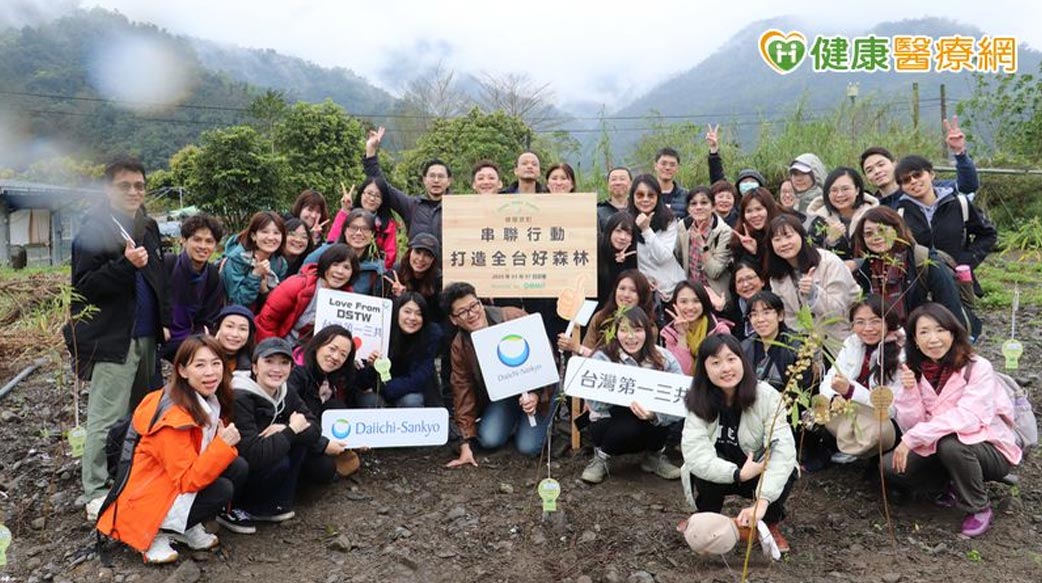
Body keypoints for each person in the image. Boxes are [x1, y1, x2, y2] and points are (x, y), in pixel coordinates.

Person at [64, 156, 172, 520]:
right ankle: (95, 489)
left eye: (139, 185)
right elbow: (84, 288)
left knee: (146, 413)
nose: (133, 191)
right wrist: (126, 265)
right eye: (124, 185)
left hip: (146, 336)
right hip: (113, 338)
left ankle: (133, 473)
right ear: (108, 189)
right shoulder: (93, 231)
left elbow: (158, 279)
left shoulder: (149, 226)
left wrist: (164, 321)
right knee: (106, 416)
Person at [96, 336, 244, 564]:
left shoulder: (202, 399)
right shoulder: (174, 418)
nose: (210, 372)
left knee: (236, 467)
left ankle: (184, 526)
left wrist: (220, 446)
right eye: (200, 365)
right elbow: (188, 479)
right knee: (222, 488)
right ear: (183, 370)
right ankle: (154, 535)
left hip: (165, 485)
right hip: (145, 501)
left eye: (216, 363)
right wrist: (222, 446)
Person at [884, 303, 1021, 537]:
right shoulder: (914, 370)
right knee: (890, 466)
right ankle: (945, 486)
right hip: (939, 443)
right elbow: (912, 423)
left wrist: (911, 439)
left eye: (940, 330)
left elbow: (968, 418)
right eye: (924, 332)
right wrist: (909, 392)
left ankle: (979, 507)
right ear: (915, 340)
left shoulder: (977, 367)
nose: (933, 339)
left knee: (953, 445)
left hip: (988, 447)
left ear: (952, 332)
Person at [680, 335, 798, 553]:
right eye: (715, 363)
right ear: (704, 369)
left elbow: (783, 451)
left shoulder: (767, 396)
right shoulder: (698, 401)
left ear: (742, 361)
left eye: (731, 359)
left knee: (786, 469)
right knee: (703, 473)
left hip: (757, 470)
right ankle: (707, 518)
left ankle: (769, 523)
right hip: (728, 472)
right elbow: (696, 454)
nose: (725, 368)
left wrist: (762, 501)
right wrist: (738, 474)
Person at [223, 338, 338, 534]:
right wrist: (291, 429)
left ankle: (272, 504)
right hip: (237, 467)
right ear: (255, 366)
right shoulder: (240, 396)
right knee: (280, 458)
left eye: (284, 363)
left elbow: (314, 429)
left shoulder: (286, 391)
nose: (277, 369)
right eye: (269, 361)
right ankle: (239, 508)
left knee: (300, 445)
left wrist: (284, 427)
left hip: (266, 454)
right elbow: (252, 453)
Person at [443, 283, 556, 467]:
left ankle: (547, 416)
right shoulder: (460, 345)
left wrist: (537, 394)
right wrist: (465, 443)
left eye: (474, 306)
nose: (471, 314)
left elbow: (548, 361)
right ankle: (512, 418)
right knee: (488, 439)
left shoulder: (513, 317)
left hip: (540, 389)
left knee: (528, 447)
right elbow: (462, 391)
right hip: (505, 394)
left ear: (481, 302)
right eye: (462, 312)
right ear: (453, 319)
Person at [581, 306, 685, 484]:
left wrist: (654, 414)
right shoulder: (602, 358)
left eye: (637, 330)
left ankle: (654, 457)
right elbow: (596, 405)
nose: (631, 337)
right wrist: (623, 395)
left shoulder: (663, 358)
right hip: (610, 421)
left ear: (648, 331)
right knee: (629, 423)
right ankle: (601, 458)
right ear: (615, 332)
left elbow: (680, 399)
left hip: (651, 422)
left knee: (659, 412)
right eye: (624, 330)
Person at [851, 206, 979, 337]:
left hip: (927, 337)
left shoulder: (921, 260)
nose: (876, 237)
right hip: (886, 339)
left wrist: (955, 342)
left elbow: (950, 305)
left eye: (882, 230)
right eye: (868, 233)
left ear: (896, 230)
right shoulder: (866, 268)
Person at [893, 155, 996, 297]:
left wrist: (966, 261)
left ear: (931, 174)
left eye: (917, 175)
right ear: (901, 187)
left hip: (958, 283)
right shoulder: (899, 214)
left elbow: (987, 234)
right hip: (920, 288)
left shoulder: (959, 203)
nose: (913, 181)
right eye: (906, 180)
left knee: (960, 319)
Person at [820, 296, 903, 463]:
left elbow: (892, 408)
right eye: (859, 322)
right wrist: (835, 397)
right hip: (855, 409)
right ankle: (853, 449)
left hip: (886, 419)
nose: (868, 328)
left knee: (880, 431)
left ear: (889, 321)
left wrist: (851, 391)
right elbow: (831, 376)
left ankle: (870, 454)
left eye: (875, 321)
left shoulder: (901, 352)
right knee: (820, 407)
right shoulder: (852, 342)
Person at [764, 214, 860, 355]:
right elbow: (790, 318)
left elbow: (839, 310)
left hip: (843, 340)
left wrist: (814, 293)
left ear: (802, 236)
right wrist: (806, 343)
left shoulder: (829, 262)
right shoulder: (777, 277)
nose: (784, 243)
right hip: (811, 347)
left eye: (789, 236)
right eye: (777, 239)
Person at [860, 117, 980, 208]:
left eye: (881, 165)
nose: (877, 171)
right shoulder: (871, 205)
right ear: (866, 178)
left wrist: (959, 153)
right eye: (869, 170)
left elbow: (968, 186)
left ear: (894, 164)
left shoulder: (923, 187)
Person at [255, 244, 359, 345]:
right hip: (283, 344)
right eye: (335, 265)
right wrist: (271, 351)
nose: (340, 271)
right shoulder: (297, 285)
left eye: (346, 267)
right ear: (325, 264)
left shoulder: (349, 300)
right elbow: (268, 320)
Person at [356, 292, 444, 408]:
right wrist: (372, 366)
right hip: (379, 391)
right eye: (407, 312)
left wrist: (389, 389)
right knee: (367, 400)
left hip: (410, 391)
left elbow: (421, 376)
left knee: (411, 400)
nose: (412, 318)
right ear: (397, 311)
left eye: (419, 314)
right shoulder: (379, 330)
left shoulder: (431, 335)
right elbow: (363, 381)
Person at [363, 126, 446, 242]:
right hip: (417, 260)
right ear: (424, 180)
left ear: (449, 181)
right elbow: (383, 187)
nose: (436, 180)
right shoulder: (412, 206)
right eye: (432, 176)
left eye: (441, 176)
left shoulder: (459, 208)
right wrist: (371, 150)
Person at [162, 213, 224, 361]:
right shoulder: (168, 264)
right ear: (183, 240)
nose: (203, 246)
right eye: (197, 240)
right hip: (160, 338)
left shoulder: (212, 276)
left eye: (209, 241)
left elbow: (208, 317)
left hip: (190, 343)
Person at [562, 269, 657, 356]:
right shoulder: (600, 317)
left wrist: (579, 349)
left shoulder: (648, 326)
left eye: (633, 290)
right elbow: (584, 354)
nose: (626, 295)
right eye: (622, 288)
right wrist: (572, 347)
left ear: (642, 295)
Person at [627, 174, 685, 305]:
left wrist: (646, 230)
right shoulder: (627, 221)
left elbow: (663, 256)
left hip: (674, 290)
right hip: (646, 293)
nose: (645, 199)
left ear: (658, 196)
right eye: (640, 195)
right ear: (632, 197)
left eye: (651, 195)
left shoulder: (668, 220)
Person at [306, 209, 387, 297]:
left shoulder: (378, 268)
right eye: (353, 228)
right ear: (345, 230)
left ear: (373, 234)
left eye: (365, 229)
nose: (358, 233)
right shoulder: (323, 253)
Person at [807, 167, 879, 263]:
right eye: (834, 190)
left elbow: (883, 250)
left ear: (857, 190)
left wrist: (857, 264)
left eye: (845, 189)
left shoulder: (874, 215)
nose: (839, 195)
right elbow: (811, 256)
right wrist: (831, 241)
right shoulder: (819, 221)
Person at [676, 186, 732, 308]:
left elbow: (714, 272)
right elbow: (679, 258)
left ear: (713, 206)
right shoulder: (683, 227)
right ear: (688, 209)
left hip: (716, 297)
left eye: (704, 202)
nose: (699, 207)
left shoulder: (724, 232)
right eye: (693, 204)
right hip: (692, 295)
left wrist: (702, 246)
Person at [221, 211, 288, 312]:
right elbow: (236, 302)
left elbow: (277, 304)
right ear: (253, 236)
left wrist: (265, 290)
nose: (271, 237)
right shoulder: (237, 259)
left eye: (276, 233)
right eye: (265, 232)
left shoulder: (280, 263)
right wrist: (255, 275)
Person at [739, 291, 804, 393]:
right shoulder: (745, 347)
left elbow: (803, 390)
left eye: (766, 312)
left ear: (780, 315)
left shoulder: (796, 346)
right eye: (754, 314)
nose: (760, 319)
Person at [661, 282, 731, 375]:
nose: (690, 307)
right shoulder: (669, 334)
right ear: (675, 304)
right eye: (683, 302)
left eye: (696, 301)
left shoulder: (720, 331)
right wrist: (682, 336)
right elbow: (681, 372)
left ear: (704, 302)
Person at [327, 177, 397, 269]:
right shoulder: (348, 214)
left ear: (383, 200)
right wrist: (345, 211)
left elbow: (390, 256)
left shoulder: (387, 224)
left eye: (377, 196)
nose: (372, 198)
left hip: (372, 271)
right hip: (343, 267)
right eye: (369, 193)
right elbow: (332, 242)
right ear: (361, 193)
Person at [288, 324, 359, 415]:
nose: (336, 357)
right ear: (318, 345)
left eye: (343, 355)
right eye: (332, 349)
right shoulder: (296, 374)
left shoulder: (335, 383)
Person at [388, 233, 443, 321]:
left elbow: (437, 314)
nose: (421, 259)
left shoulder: (438, 279)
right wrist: (398, 297)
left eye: (428, 255)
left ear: (433, 260)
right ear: (410, 252)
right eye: (417, 252)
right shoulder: (395, 273)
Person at [728, 187, 781, 267]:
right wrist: (753, 253)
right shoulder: (740, 240)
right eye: (749, 211)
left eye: (759, 209)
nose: (755, 215)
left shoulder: (781, 234)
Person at [596, 211, 638, 308]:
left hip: (617, 309)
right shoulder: (597, 249)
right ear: (610, 231)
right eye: (618, 231)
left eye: (628, 233)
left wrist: (619, 265)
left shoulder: (632, 256)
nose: (622, 237)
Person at [719, 259, 767, 342]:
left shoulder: (774, 304)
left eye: (750, 278)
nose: (746, 284)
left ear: (762, 281)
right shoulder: (730, 311)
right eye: (740, 281)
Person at [213, 305, 255, 374]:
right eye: (229, 326)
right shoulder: (200, 353)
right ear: (218, 328)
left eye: (242, 329)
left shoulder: (255, 363)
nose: (235, 334)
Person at [654, 147, 688, 217]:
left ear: (677, 168)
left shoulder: (686, 196)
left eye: (672, 165)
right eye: (663, 164)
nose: (667, 168)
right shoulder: (646, 196)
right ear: (655, 166)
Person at [597, 167, 632, 232]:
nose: (618, 183)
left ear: (630, 184)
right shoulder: (598, 212)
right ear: (608, 185)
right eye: (613, 179)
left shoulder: (638, 208)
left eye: (622, 179)